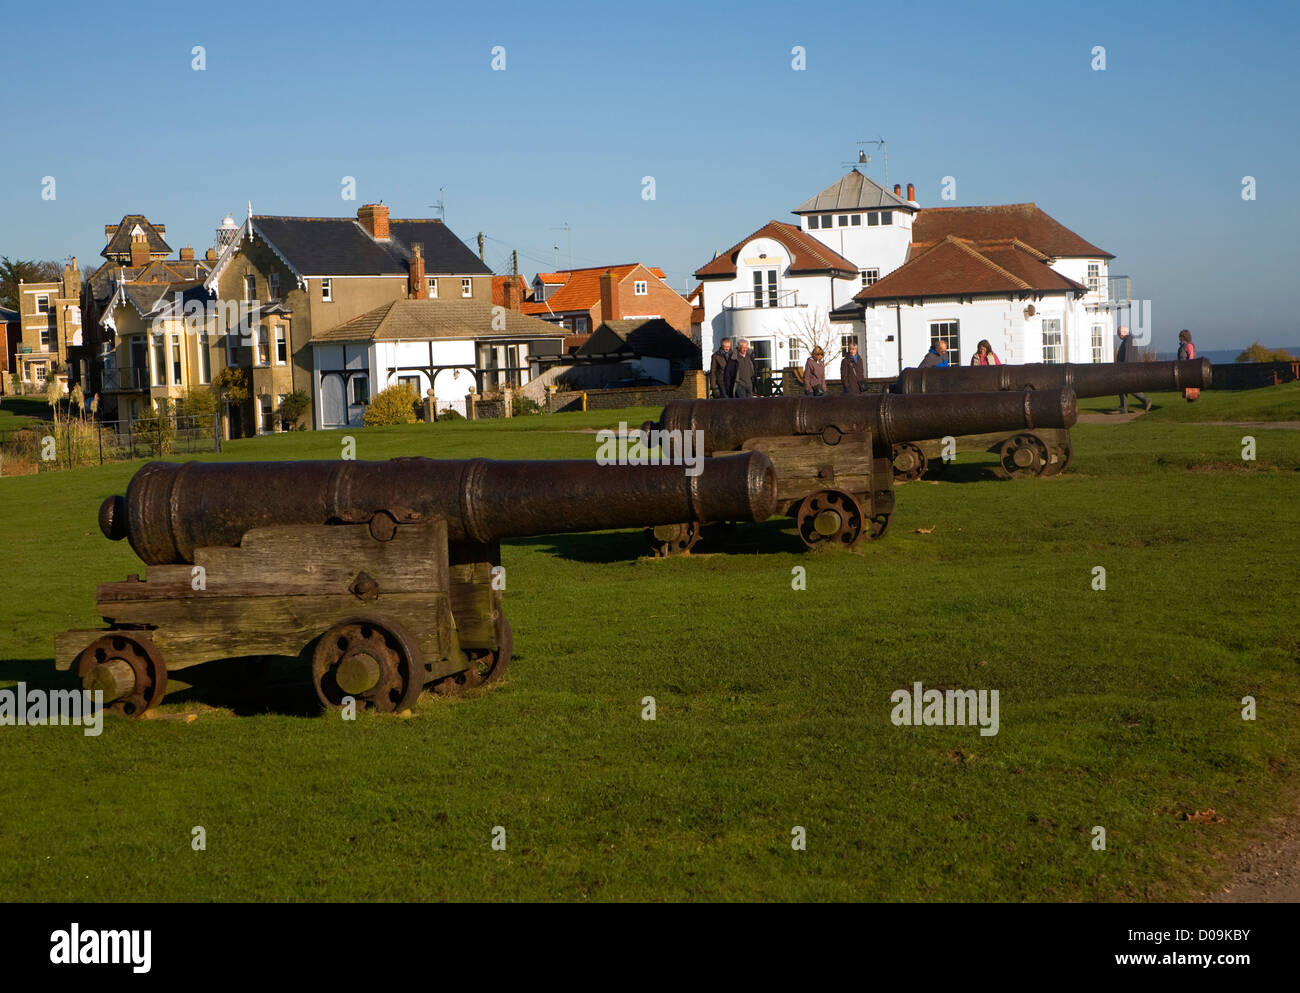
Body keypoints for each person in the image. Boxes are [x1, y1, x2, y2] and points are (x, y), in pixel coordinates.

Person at [1115, 326, 1151, 413]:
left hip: (1127, 369)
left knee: (1128, 388)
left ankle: (1145, 400)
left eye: (1119, 333)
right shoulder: (1128, 340)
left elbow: (1128, 357)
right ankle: (1123, 407)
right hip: (1128, 368)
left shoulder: (1128, 341)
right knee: (1123, 388)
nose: (1118, 335)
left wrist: (1126, 369)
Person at [1178, 329, 1200, 402]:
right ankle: (1189, 400)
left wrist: (1189, 367)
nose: (1179, 338)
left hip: (1188, 368)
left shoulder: (1189, 345)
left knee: (1190, 386)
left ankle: (1191, 400)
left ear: (1184, 337)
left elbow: (1191, 357)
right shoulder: (1182, 346)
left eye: (1180, 336)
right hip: (1183, 368)